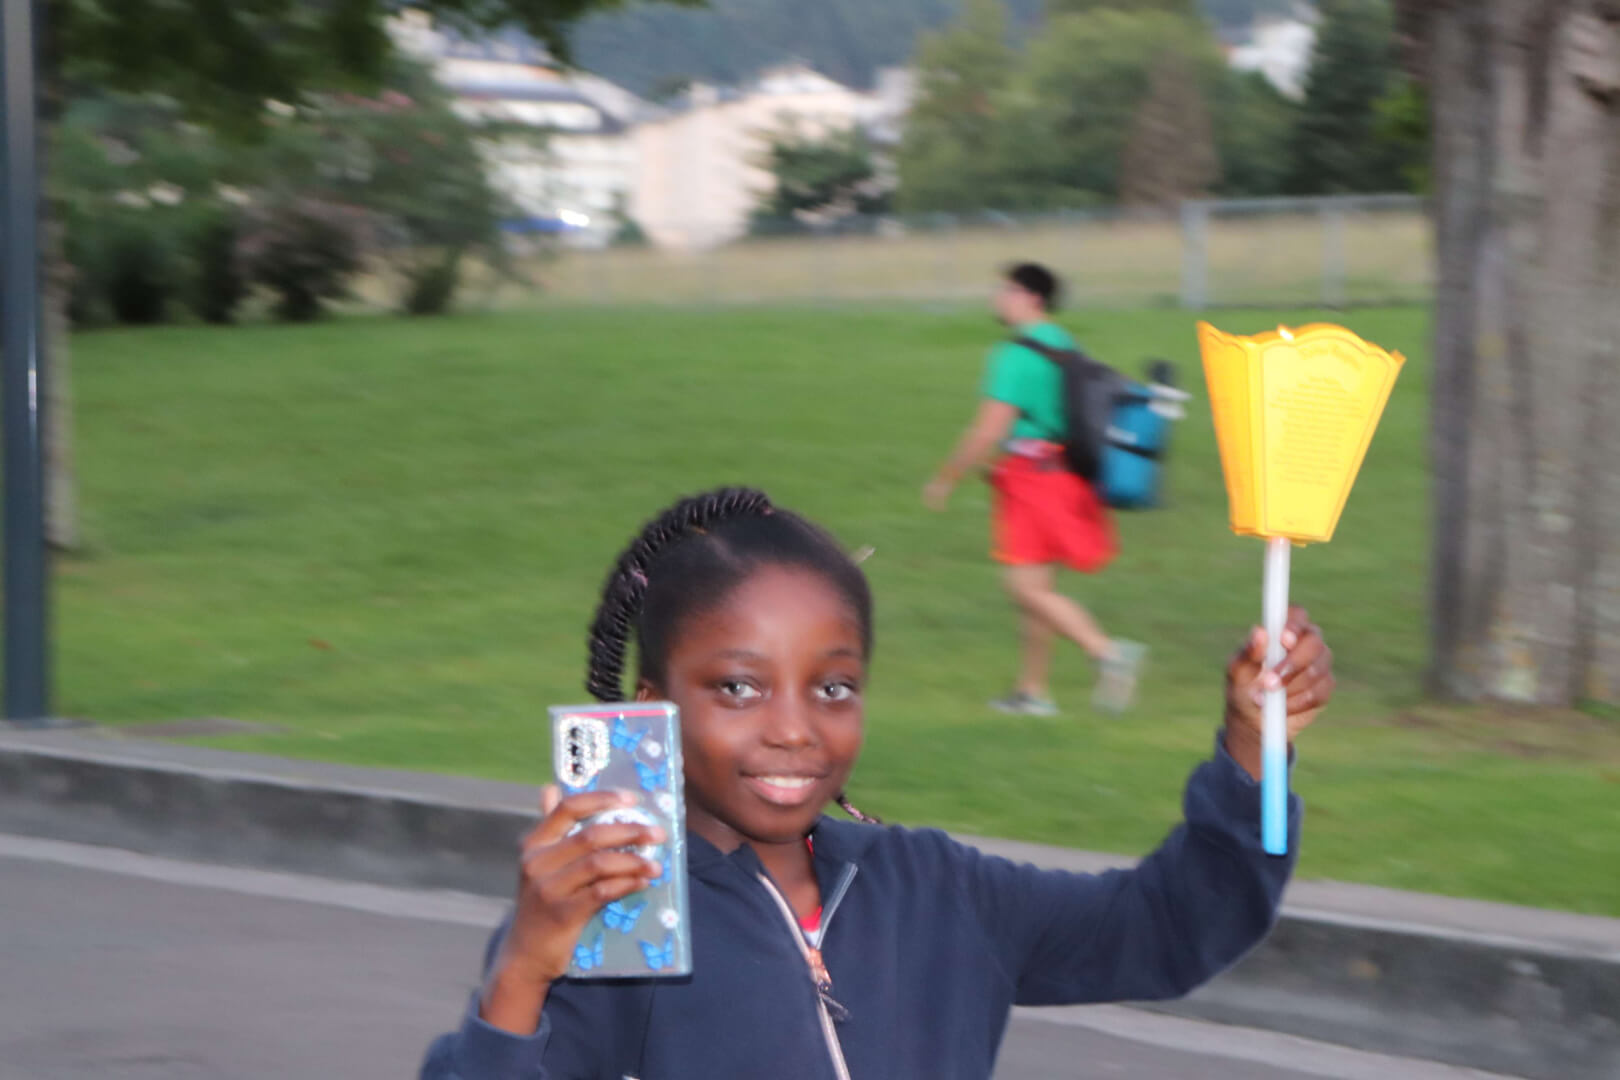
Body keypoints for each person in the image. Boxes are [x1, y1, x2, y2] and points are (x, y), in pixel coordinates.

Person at [419, 486, 1335, 1080]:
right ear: (652, 707)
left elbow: (1170, 929)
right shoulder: (614, 918)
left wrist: (1252, 752)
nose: (794, 728)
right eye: (737, 687)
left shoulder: (937, 888)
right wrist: (527, 967)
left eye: (833, 688)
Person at [925, 262, 1143, 716]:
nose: (998, 297)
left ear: (1032, 298)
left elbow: (989, 427)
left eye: (1007, 290)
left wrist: (947, 477)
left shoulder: (1014, 355)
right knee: (1037, 589)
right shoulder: (1062, 342)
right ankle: (1032, 692)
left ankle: (1107, 652)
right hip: (1064, 474)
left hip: (1033, 481)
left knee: (1026, 589)